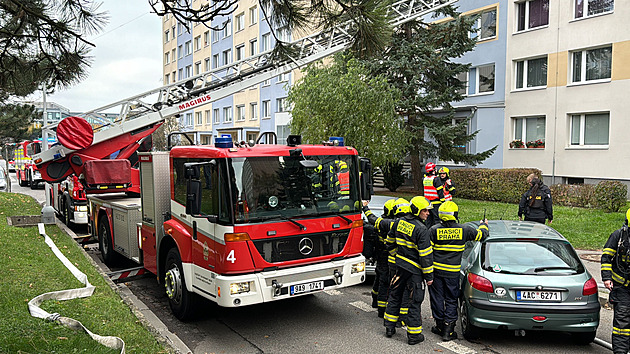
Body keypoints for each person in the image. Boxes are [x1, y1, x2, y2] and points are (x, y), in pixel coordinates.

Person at [428, 201, 489, 341]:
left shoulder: (434, 230)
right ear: (455, 214)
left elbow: (427, 252)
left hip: (436, 272)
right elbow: (482, 235)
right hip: (452, 273)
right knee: (451, 299)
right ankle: (448, 330)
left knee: (437, 298)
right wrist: (483, 224)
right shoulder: (465, 230)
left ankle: (439, 326)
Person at [383, 196, 434, 345]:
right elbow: (425, 256)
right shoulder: (421, 229)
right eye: (425, 210)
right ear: (417, 211)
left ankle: (389, 327)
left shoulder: (399, 222)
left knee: (395, 295)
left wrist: (396, 256)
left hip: (400, 267)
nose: (428, 213)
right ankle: (414, 335)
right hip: (414, 271)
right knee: (414, 301)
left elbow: (389, 242)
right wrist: (429, 276)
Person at [602, 209, 630, 354]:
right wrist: (607, 278)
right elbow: (606, 257)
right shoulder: (618, 236)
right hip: (622, 287)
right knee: (622, 323)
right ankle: (620, 351)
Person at [363, 198, 397, 317]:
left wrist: (365, 208)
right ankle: (382, 310)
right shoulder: (391, 224)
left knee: (379, 279)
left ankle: (375, 301)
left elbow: (371, 218)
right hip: (388, 257)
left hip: (379, 256)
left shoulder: (381, 222)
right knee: (385, 282)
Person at [423, 162, 445, 227]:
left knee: (428, 219)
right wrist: (443, 201)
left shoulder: (425, 179)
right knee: (437, 220)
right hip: (436, 203)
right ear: (433, 170)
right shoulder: (436, 179)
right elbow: (440, 191)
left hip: (427, 203)